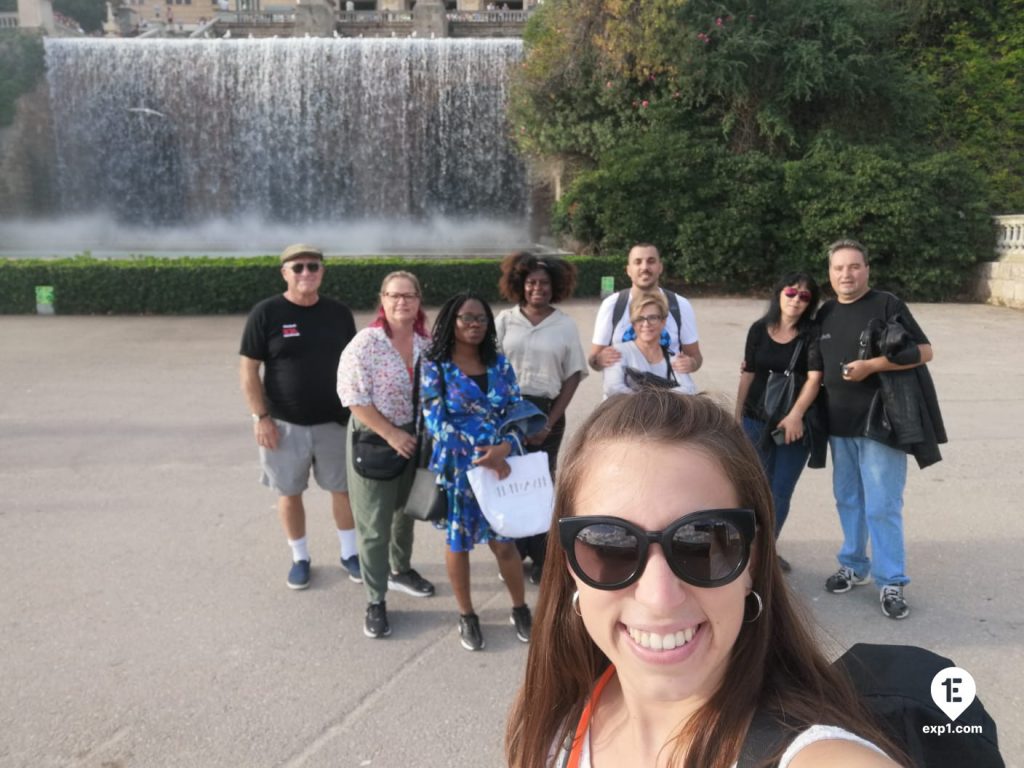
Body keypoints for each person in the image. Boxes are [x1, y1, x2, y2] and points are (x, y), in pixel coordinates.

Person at [505, 390, 904, 768]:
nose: (659, 597)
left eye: (703, 543)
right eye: (610, 546)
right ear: (571, 566)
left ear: (753, 559)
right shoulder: (550, 716)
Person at [811, 239, 938, 620]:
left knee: (882, 504)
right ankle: (854, 565)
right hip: (839, 424)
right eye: (838, 268)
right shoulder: (826, 311)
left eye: (854, 266)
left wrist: (873, 366)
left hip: (882, 423)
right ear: (830, 274)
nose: (846, 274)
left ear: (867, 269)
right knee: (848, 498)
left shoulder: (887, 304)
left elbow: (925, 351)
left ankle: (891, 581)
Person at [239, 244, 361, 590]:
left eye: (313, 267)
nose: (306, 273)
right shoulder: (267, 313)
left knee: (343, 491)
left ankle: (350, 554)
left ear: (322, 272)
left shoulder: (338, 313)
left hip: (334, 423)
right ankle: (300, 558)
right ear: (285, 273)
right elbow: (249, 370)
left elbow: (353, 365)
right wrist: (260, 417)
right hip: (283, 424)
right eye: (298, 268)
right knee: (289, 491)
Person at [421, 291, 533, 651]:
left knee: (505, 543)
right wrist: (482, 455)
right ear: (451, 322)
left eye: (481, 319)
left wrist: (505, 448)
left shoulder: (499, 363)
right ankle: (467, 614)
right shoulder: (434, 364)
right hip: (458, 471)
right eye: (466, 318)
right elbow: (435, 421)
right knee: (459, 544)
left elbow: (517, 409)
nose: (474, 325)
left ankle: (520, 607)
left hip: (500, 469)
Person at [338, 271, 436, 640]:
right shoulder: (366, 344)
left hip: (413, 440)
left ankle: (401, 569)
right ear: (383, 299)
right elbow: (352, 397)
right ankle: (375, 599)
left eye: (409, 296)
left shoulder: (426, 344)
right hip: (376, 439)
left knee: (404, 513)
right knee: (374, 524)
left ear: (418, 300)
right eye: (394, 296)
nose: (401, 302)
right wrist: (392, 433)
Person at [496, 252, 588, 584]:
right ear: (520, 285)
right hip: (508, 412)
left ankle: (542, 554)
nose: (538, 288)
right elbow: (491, 366)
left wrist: (549, 422)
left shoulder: (563, 324)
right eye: (532, 282)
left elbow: (573, 375)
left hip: (547, 411)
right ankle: (514, 550)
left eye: (545, 283)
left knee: (540, 485)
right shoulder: (505, 320)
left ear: (555, 287)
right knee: (509, 482)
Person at [734, 273, 822, 572]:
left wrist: (796, 414)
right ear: (779, 293)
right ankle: (746, 550)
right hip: (755, 418)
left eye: (805, 296)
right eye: (792, 292)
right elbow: (747, 372)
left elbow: (815, 378)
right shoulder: (758, 330)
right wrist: (737, 414)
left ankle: (767, 552)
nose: (796, 299)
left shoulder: (812, 333)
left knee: (780, 490)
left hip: (794, 425)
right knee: (753, 487)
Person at [588, 243, 702, 395]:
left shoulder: (680, 305)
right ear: (628, 270)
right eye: (637, 262)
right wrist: (599, 360)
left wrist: (691, 363)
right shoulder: (613, 305)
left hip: (668, 410)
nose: (644, 267)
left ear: (660, 267)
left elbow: (696, 357)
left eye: (651, 261)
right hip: (622, 410)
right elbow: (594, 360)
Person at [603, 290, 695, 398]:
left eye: (653, 318)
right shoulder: (617, 353)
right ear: (633, 323)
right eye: (640, 318)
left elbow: (690, 389)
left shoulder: (673, 359)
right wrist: (661, 397)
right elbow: (613, 388)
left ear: (663, 322)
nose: (646, 324)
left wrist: (649, 398)